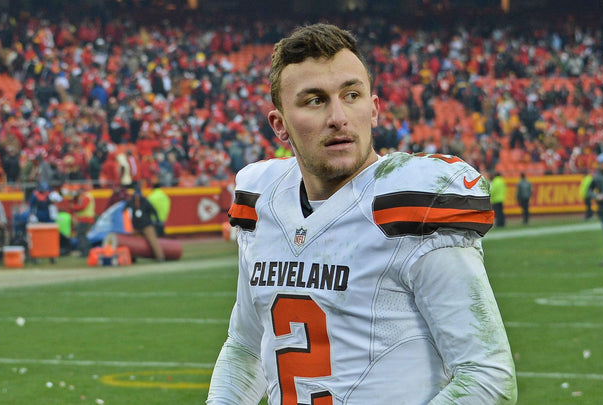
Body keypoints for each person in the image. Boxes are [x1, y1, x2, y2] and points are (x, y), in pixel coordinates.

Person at [207, 23, 517, 405]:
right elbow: (245, 347)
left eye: (351, 95)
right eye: (315, 100)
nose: (338, 116)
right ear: (280, 125)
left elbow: (486, 377)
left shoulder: (409, 204)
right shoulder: (263, 200)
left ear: (373, 109)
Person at [124, 187, 164, 262]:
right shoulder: (131, 202)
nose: (137, 196)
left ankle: (160, 257)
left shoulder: (145, 201)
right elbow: (124, 209)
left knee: (152, 240)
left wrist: (157, 220)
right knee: (132, 242)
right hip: (136, 226)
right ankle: (133, 257)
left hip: (146, 225)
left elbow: (153, 211)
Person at [69, 184, 95, 256]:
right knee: (81, 235)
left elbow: (82, 207)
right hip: (84, 219)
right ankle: (86, 251)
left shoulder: (87, 197)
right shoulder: (84, 197)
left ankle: (86, 251)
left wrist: (73, 206)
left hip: (85, 219)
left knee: (80, 235)